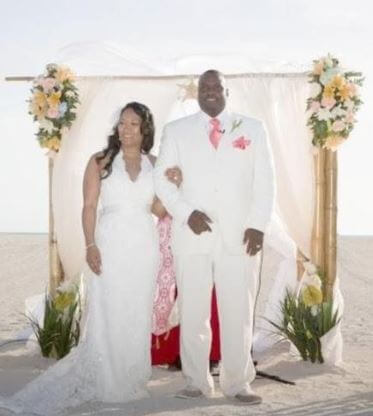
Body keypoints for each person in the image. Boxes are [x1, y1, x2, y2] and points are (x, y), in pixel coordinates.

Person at [0, 102, 175, 415]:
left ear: (145, 129)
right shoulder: (100, 161)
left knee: (135, 311)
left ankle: (131, 376)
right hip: (109, 243)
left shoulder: (155, 163)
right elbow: (89, 207)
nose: (127, 129)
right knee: (108, 310)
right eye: (122, 123)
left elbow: (159, 210)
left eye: (134, 124)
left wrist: (175, 183)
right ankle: (108, 380)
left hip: (143, 247)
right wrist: (90, 244)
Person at [154, 70, 275, 404]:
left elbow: (265, 181)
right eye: (204, 87)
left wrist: (258, 224)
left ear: (226, 91)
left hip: (241, 237)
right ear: (197, 93)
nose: (209, 91)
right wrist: (185, 212)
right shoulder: (176, 131)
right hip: (192, 236)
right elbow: (161, 180)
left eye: (215, 86)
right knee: (193, 311)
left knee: (238, 312)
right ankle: (195, 380)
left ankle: (238, 383)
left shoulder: (251, 128)